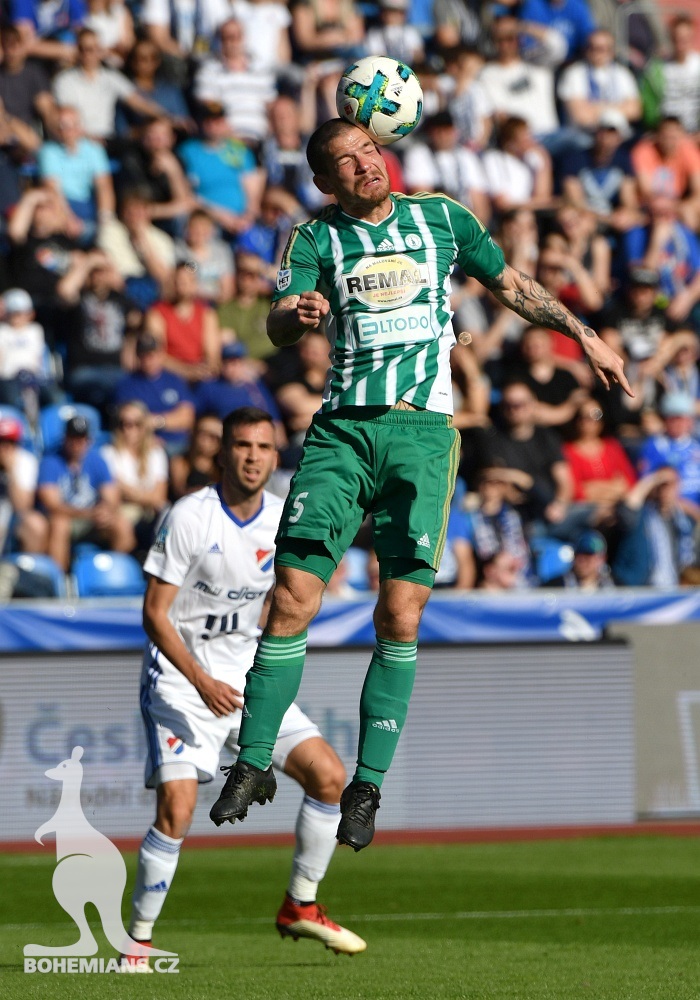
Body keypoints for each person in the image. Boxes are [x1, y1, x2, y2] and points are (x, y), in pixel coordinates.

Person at [207, 117, 630, 849]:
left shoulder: (441, 218)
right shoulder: (314, 240)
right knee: (291, 598)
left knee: (399, 616)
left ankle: (367, 785)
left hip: (424, 436)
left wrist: (582, 332)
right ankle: (251, 762)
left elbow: (512, 285)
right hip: (341, 432)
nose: (365, 165)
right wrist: (294, 315)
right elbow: (276, 322)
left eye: (369, 150)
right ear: (324, 182)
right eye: (346, 161)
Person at [123, 406, 365, 966]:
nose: (252, 457)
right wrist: (202, 680)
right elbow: (155, 615)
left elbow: (288, 599)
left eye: (263, 447)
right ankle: (135, 941)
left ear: (276, 457)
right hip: (183, 682)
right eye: (241, 446)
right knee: (177, 811)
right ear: (222, 452)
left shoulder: (284, 517)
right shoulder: (190, 516)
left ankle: (300, 906)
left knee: (329, 776)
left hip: (248, 682)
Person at [33, 413, 134, 570]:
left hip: (92, 518)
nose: (77, 443)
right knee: (60, 524)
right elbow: (52, 504)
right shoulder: (50, 461)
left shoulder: (97, 460)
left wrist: (105, 509)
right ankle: (60, 581)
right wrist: (88, 513)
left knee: (121, 524)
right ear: (65, 438)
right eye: (73, 438)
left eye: (81, 438)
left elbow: (111, 496)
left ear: (89, 440)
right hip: (68, 517)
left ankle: (119, 573)